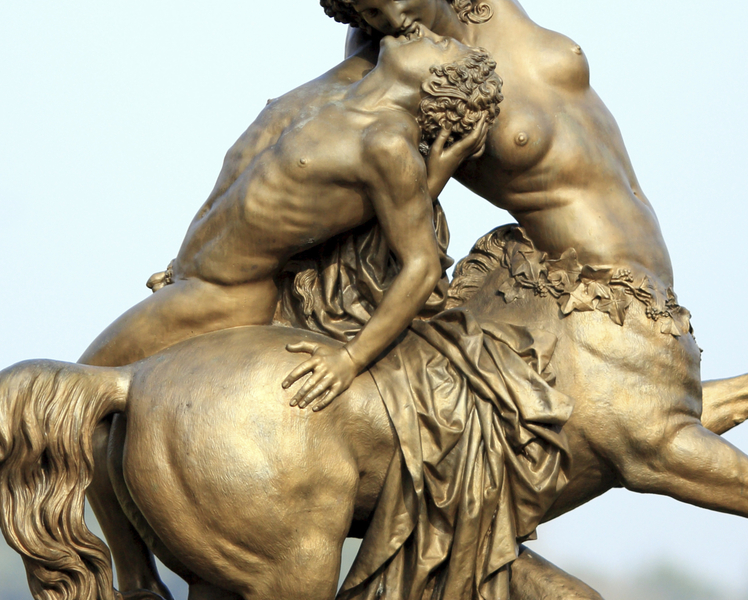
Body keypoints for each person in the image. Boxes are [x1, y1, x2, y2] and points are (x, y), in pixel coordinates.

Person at [319, 2, 748, 599]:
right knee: (668, 446)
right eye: (369, 7)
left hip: (643, 288)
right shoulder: (389, 61)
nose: (388, 11)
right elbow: (385, 183)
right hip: (587, 299)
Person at [72, 30, 505, 598]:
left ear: (436, 83)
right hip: (193, 278)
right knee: (91, 416)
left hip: (220, 292)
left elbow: (421, 266)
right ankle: (140, 575)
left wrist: (351, 359)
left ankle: (134, 581)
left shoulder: (387, 144)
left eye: (446, 47)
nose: (432, 32)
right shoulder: (345, 103)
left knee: (80, 405)